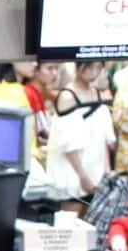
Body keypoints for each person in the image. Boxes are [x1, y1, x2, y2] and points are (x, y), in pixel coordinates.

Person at [48, 61, 115, 210]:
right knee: (72, 225)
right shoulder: (67, 96)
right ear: (79, 67)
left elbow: (102, 138)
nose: (94, 73)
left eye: (98, 68)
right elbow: (68, 145)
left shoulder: (98, 93)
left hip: (95, 170)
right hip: (72, 172)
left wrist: (106, 172)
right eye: (90, 67)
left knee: (92, 225)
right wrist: (83, 177)